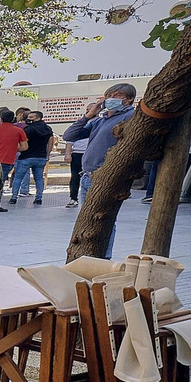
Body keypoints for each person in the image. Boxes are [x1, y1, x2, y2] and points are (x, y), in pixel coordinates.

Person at [63, 83, 138, 257]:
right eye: (108, 95)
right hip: (88, 176)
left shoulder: (130, 117)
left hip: (106, 177)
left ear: (129, 99)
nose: (110, 99)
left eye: (117, 95)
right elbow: (70, 135)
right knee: (86, 219)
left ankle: (104, 256)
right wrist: (89, 115)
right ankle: (86, 254)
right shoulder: (100, 119)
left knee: (104, 219)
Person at [12, 110, 54, 205]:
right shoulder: (48, 129)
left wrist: (17, 150)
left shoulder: (28, 129)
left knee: (18, 177)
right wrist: (47, 155)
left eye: (31, 118)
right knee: (39, 178)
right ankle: (39, 198)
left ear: (38, 118)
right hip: (41, 157)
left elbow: (23, 143)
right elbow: (50, 143)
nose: (28, 119)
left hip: (26, 156)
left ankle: (14, 197)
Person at [0, 109, 26, 211]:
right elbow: (24, 147)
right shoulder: (19, 131)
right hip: (8, 160)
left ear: (0, 119)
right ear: (13, 119)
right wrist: (14, 148)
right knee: (0, 182)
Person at [65, 136, 87, 208]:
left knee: (90, 177)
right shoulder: (77, 128)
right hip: (77, 153)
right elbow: (69, 141)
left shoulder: (94, 125)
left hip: (88, 152)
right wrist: (67, 154)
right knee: (75, 177)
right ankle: (73, 198)